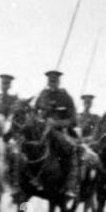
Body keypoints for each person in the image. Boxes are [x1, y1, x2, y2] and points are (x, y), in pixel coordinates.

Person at [35, 69, 81, 200]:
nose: (52, 83)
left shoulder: (66, 97)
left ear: (59, 81)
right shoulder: (42, 95)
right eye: (50, 80)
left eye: (54, 80)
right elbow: (34, 112)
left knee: (72, 149)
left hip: (60, 132)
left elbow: (73, 120)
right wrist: (41, 121)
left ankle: (70, 186)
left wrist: (57, 123)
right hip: (42, 131)